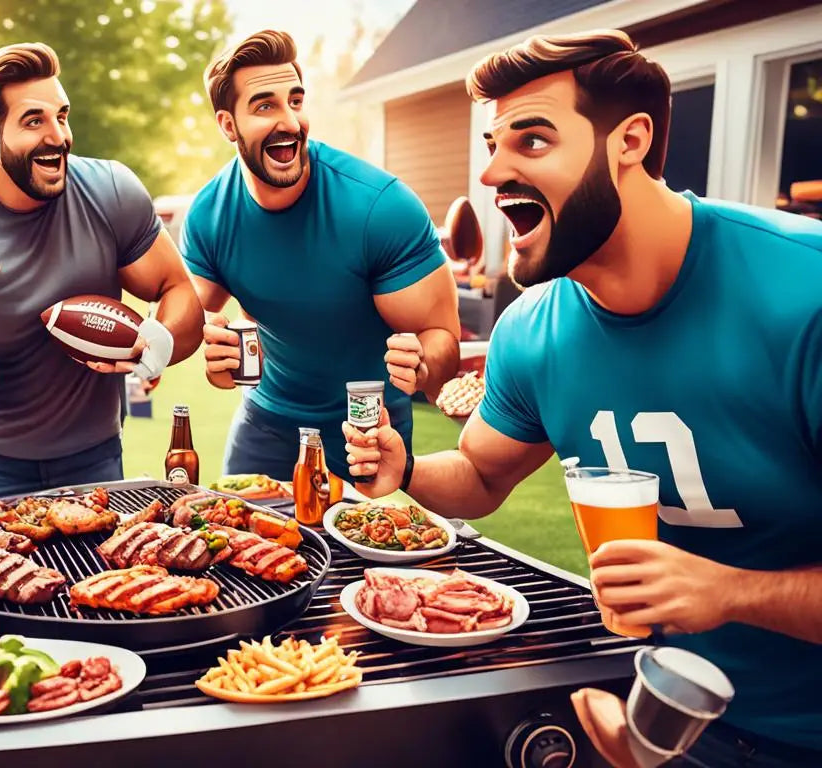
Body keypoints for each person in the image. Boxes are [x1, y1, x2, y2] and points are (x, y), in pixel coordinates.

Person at [343, 30, 822, 767]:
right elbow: (480, 477)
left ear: (629, 141)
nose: (493, 170)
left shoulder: (803, 293)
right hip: (660, 716)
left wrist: (732, 592)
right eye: (493, 144)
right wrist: (405, 470)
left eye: (531, 141)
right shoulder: (532, 329)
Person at [0, 42, 203, 497]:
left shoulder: (111, 191)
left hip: (98, 458)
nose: (58, 136)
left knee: (111, 571)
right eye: (34, 121)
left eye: (61, 116)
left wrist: (159, 341)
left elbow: (179, 294)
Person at [182, 30, 460, 486]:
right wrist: (213, 354)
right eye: (265, 106)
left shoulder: (380, 208)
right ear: (228, 126)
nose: (290, 121)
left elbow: (441, 338)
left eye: (295, 100)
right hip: (266, 422)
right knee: (237, 546)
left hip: (367, 427)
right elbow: (186, 318)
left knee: (369, 555)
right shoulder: (210, 214)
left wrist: (423, 364)